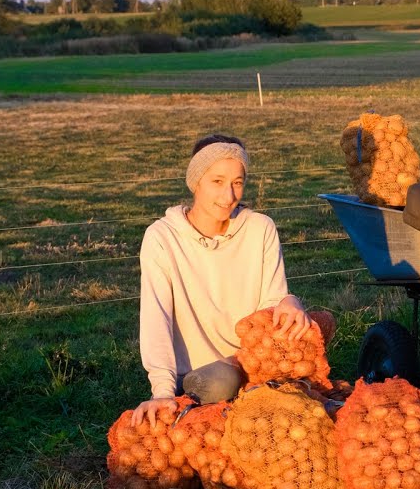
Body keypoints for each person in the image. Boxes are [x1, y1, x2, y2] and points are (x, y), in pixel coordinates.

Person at [131, 134, 313, 426]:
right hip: (200, 376)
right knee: (221, 384)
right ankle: (200, 404)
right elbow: (157, 319)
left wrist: (290, 300)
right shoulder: (162, 237)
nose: (228, 196)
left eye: (237, 183)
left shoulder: (260, 228)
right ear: (196, 182)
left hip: (253, 363)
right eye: (217, 181)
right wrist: (162, 391)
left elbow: (269, 307)